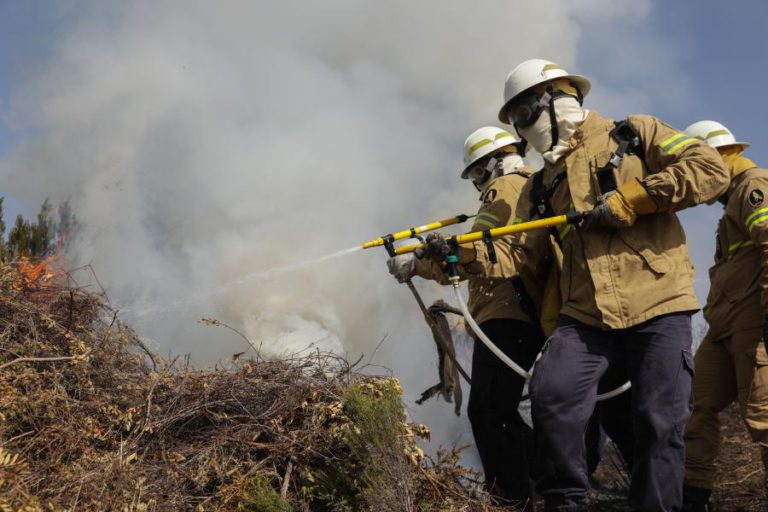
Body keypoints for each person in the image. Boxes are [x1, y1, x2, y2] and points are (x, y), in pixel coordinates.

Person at [418, 59, 729, 511]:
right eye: (516, 122)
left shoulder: (635, 132)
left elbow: (709, 169)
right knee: (552, 394)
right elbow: (516, 254)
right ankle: (564, 502)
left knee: (659, 423)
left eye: (524, 115)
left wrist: (635, 198)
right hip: (586, 314)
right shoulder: (539, 185)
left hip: (657, 302)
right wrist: (459, 256)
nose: (524, 130)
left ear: (556, 99)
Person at [389, 127, 546, 509]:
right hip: (522, 310)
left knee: (489, 411)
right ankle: (544, 481)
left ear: (496, 161)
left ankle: (514, 502)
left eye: (478, 172)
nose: (479, 184)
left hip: (509, 312)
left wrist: (416, 262)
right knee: (501, 409)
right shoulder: (532, 186)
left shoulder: (504, 186)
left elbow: (476, 254)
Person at [681, 120, 768, 511]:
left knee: (763, 417)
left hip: (754, 322)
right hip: (722, 327)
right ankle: (692, 498)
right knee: (695, 406)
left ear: (715, 158)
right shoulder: (732, 201)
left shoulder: (754, 187)